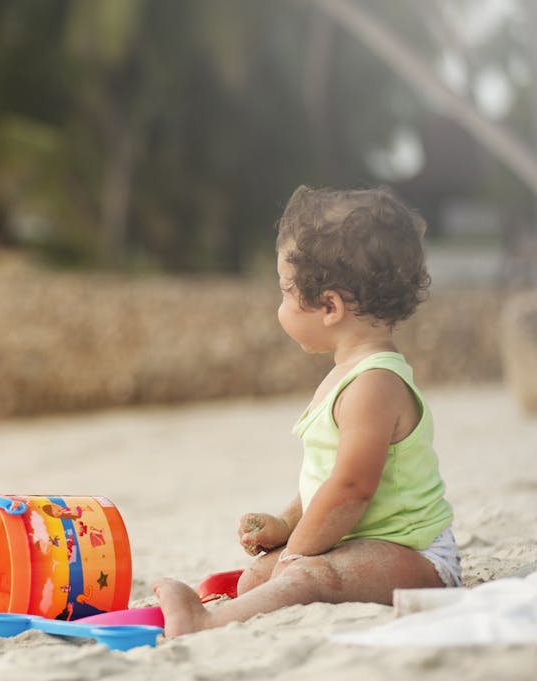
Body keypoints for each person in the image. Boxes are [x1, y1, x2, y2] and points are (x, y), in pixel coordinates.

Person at [154, 185, 461, 637]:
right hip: (368, 541)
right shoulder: (348, 375)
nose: (280, 306)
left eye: (284, 292)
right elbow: (330, 478)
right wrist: (286, 525)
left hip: (418, 557)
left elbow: (351, 488)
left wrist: (297, 554)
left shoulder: (373, 384)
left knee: (307, 575)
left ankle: (203, 623)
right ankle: (250, 593)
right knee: (259, 577)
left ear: (330, 306)